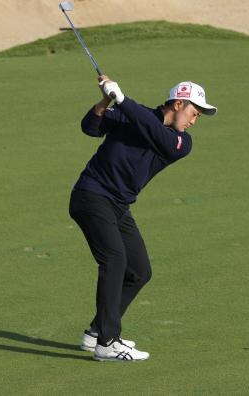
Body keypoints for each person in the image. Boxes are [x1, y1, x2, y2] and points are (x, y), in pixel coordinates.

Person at [68, 75, 217, 362]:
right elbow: (90, 127)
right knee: (114, 260)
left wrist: (123, 100)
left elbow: (150, 129)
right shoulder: (132, 116)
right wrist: (106, 101)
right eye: (194, 113)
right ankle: (107, 342)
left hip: (118, 206)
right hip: (92, 196)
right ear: (178, 103)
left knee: (139, 270)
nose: (194, 121)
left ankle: (96, 331)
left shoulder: (180, 142)